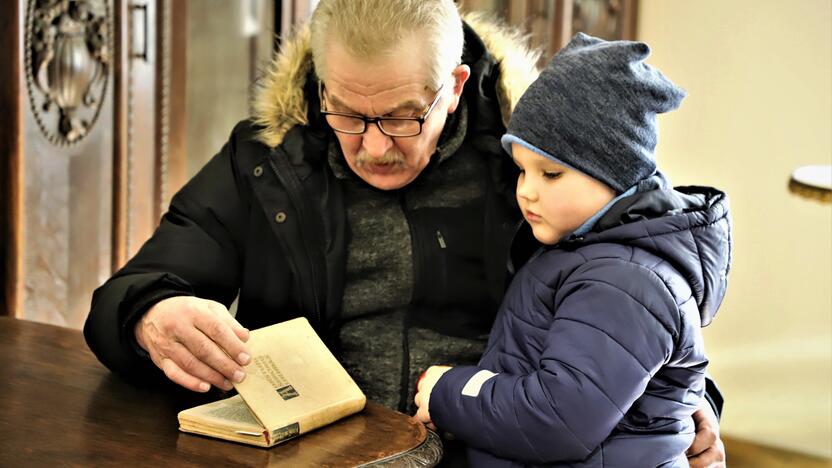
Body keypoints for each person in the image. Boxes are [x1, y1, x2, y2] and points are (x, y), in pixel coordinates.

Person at [83, 1, 725, 465]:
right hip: (311, 452)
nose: (371, 147)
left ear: (454, 87)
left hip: (494, 449)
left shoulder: (539, 161)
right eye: (346, 112)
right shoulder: (267, 158)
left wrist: (687, 402)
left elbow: (637, 287)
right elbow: (131, 290)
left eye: (399, 116)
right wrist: (150, 316)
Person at [412, 33, 732, 467]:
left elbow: (559, 419)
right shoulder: (586, 250)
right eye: (521, 170)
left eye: (551, 174)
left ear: (615, 175)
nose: (526, 192)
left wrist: (449, 392)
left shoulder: (623, 281)